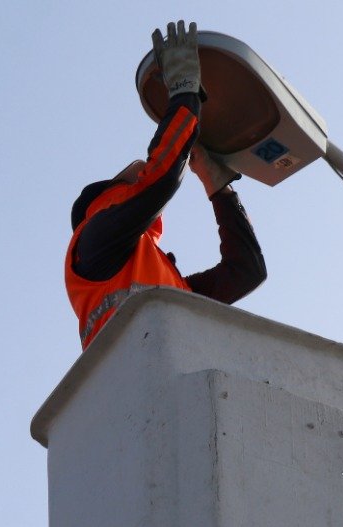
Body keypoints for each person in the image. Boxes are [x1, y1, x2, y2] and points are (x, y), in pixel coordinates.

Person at [65, 21, 267, 349]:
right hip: (144, 381)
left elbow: (247, 271)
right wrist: (184, 92)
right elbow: (161, 177)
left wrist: (218, 186)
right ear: (110, 195)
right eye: (131, 172)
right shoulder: (93, 240)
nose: (140, 169)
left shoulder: (167, 292)